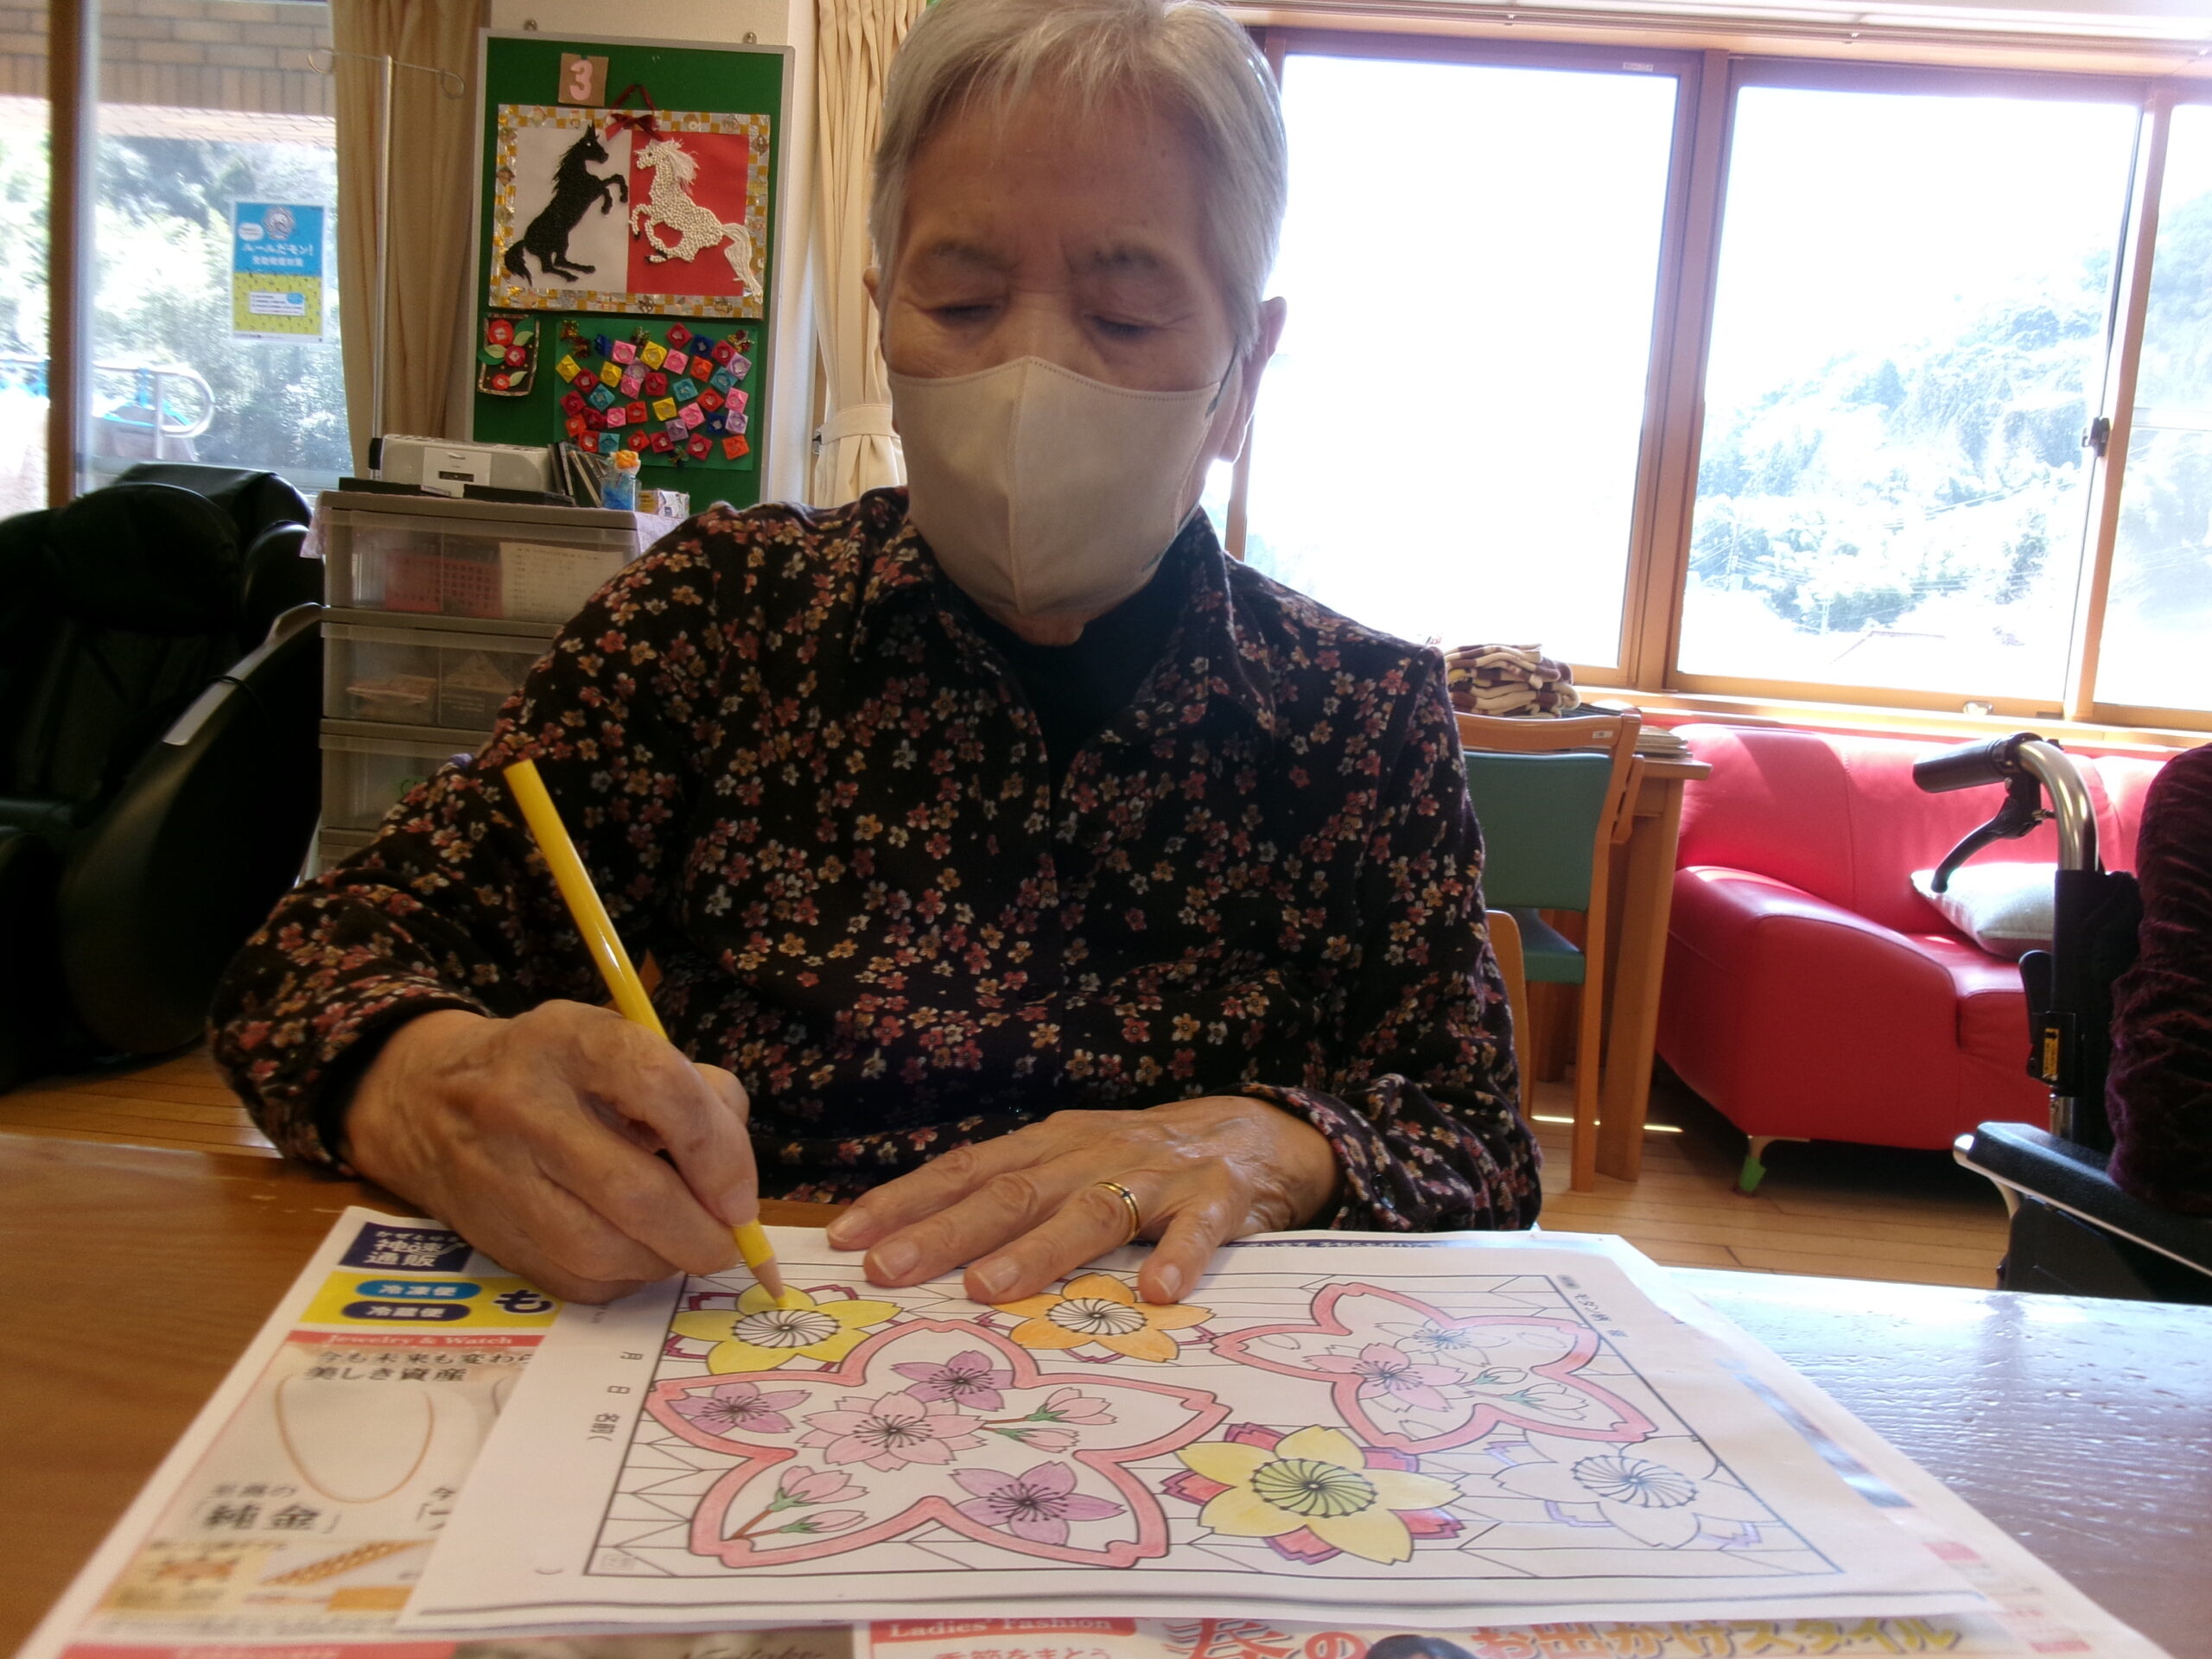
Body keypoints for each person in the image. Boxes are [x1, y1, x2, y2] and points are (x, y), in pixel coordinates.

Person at [212, 0, 1536, 1307]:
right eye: (961, 302)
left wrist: (1271, 1143)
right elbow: (306, 969)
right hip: (756, 1341)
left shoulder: (1360, 714)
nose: (1028, 374)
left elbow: (1476, 1142)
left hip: (1186, 1371)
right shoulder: (718, 624)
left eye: (1125, 320)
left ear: (1244, 369)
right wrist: (431, 1082)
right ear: (882, 319)